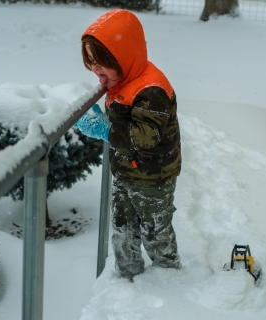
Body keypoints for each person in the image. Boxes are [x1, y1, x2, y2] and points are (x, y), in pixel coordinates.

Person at [75, 9, 182, 281]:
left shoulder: (151, 89)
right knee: (122, 227)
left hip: (153, 177)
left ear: (123, 57)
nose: (97, 73)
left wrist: (107, 130)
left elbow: (146, 136)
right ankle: (127, 276)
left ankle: (168, 276)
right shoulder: (124, 79)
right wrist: (108, 118)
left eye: (101, 65)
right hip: (125, 171)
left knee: (155, 230)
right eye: (91, 66)